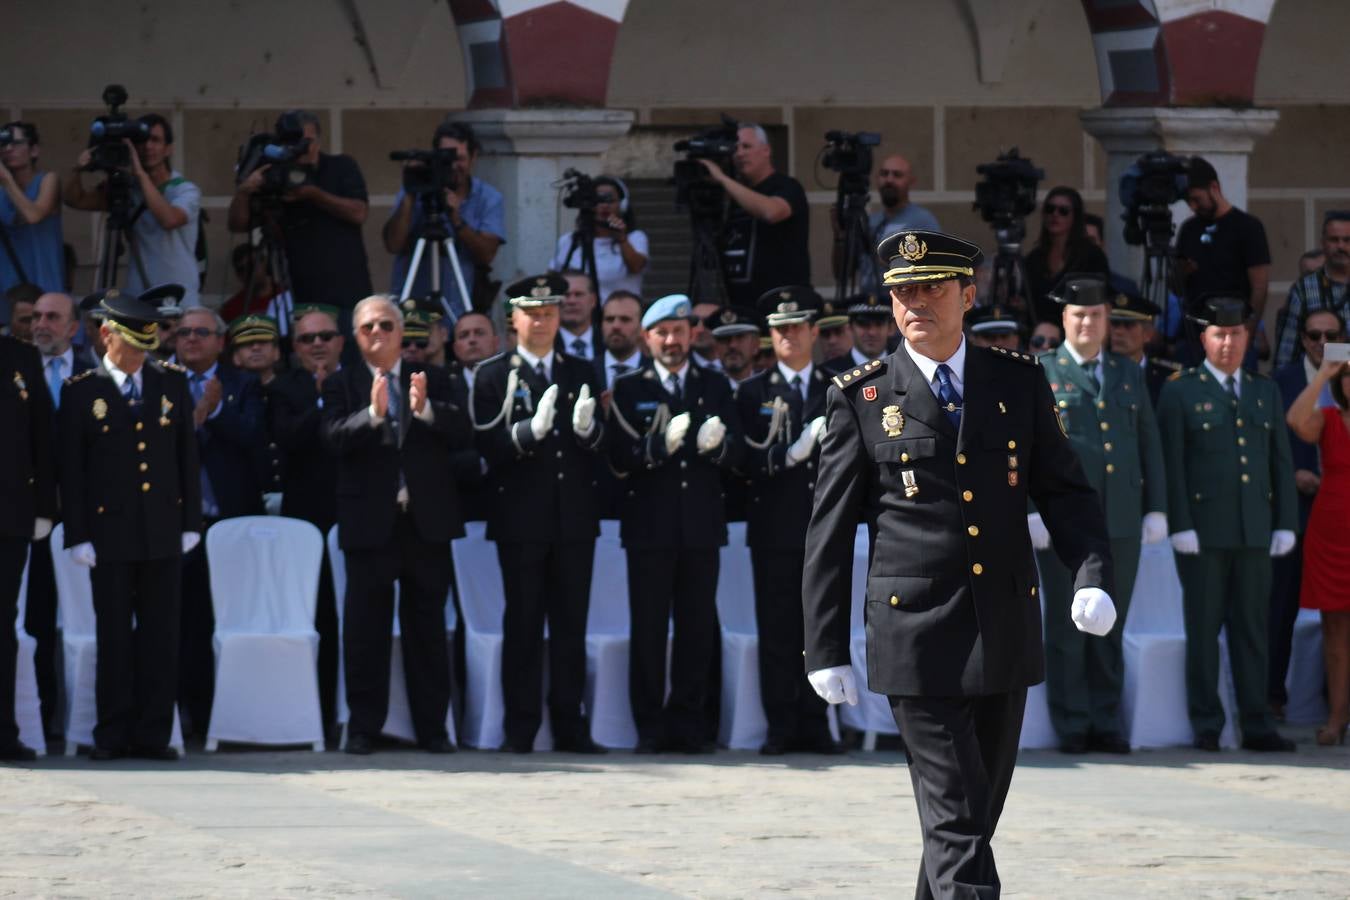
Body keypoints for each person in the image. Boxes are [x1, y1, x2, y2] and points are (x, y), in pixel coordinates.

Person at [803, 230, 1115, 898]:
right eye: (903, 292)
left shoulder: (1018, 382)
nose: (916, 302)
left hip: (1002, 624)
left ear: (967, 295)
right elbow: (827, 534)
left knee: (970, 818)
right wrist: (823, 647)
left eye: (932, 288)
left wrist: (1089, 572)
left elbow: (1066, 492)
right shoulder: (861, 397)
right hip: (914, 634)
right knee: (957, 822)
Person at [321, 295, 472, 755]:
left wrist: (424, 410)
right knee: (366, 629)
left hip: (424, 523)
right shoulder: (342, 382)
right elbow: (330, 439)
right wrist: (373, 415)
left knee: (427, 628)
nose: (378, 334)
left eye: (386, 325)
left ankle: (433, 729)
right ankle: (364, 727)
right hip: (370, 523)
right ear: (355, 336)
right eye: (368, 327)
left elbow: (464, 431)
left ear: (402, 333)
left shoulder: (436, 378)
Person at [61, 289, 202, 760]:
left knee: (162, 636)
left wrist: (189, 520)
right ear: (107, 336)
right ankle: (113, 733)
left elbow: (186, 456)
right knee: (115, 636)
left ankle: (154, 734)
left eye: (148, 345)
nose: (142, 355)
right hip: (111, 533)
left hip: (162, 529)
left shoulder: (172, 384)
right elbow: (73, 472)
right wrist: (78, 533)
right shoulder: (83, 390)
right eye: (133, 345)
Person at [470, 274, 607, 754]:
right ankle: (520, 728)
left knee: (571, 627)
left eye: (550, 313)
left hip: (573, 518)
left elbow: (597, 445)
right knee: (524, 625)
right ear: (514, 319)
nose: (543, 321)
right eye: (533, 313)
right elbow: (488, 445)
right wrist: (530, 431)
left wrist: (588, 430)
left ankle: (570, 726)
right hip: (521, 520)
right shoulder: (492, 374)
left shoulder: (582, 369)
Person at [1031, 276, 1167, 754]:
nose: (1088, 323)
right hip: (1064, 521)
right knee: (1069, 628)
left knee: (1112, 623)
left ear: (1108, 321)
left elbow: (1149, 442)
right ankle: (1072, 724)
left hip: (1122, 519)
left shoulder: (1128, 372)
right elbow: (1028, 450)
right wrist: (1032, 512)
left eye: (1096, 316)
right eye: (1078, 315)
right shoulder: (1043, 371)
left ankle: (1106, 721)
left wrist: (1157, 509)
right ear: (1064, 320)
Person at [1156, 298, 1297, 752]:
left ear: (1247, 339)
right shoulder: (1181, 390)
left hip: (1254, 529)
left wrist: (1285, 521)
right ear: (1204, 340)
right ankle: (1207, 724)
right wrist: (1180, 522)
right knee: (1203, 630)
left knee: (1253, 629)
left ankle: (1256, 723)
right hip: (1203, 531)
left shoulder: (1264, 390)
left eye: (1237, 334)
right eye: (1220, 334)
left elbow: (1280, 461)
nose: (1229, 343)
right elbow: (1171, 464)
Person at [607, 294, 741, 752]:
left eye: (678, 331)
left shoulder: (715, 385)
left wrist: (717, 447)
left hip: (701, 527)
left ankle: (689, 723)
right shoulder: (630, 387)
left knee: (696, 628)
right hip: (649, 528)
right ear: (647, 338)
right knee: (647, 630)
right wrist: (655, 448)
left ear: (692, 335)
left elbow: (736, 454)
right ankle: (648, 725)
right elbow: (618, 457)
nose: (671, 340)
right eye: (662, 332)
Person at [734, 285, 840, 755]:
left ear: (814, 332)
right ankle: (780, 724)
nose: (789, 336)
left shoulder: (836, 387)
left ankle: (816, 724)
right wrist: (787, 454)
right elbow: (741, 461)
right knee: (777, 630)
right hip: (775, 527)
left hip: (825, 528)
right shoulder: (753, 391)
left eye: (797, 327)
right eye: (780, 330)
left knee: (821, 630)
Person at [173, 306, 266, 737]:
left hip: (228, 524)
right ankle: (183, 713)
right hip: (176, 526)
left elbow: (253, 439)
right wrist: (196, 416)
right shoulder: (160, 381)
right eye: (184, 332)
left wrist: (215, 410)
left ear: (219, 341)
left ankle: (221, 715)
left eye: (201, 332)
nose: (191, 339)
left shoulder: (243, 383)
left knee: (221, 622)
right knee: (179, 623)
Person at [266, 304, 343, 739]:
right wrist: (322, 399)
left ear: (341, 341)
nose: (317, 345)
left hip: (350, 514)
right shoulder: (285, 387)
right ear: (294, 348)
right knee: (309, 618)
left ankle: (341, 715)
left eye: (325, 336)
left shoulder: (358, 380)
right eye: (307, 339)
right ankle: (305, 713)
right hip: (305, 522)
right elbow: (288, 439)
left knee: (346, 619)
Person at [228, 111, 372, 328]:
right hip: (304, 296)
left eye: (307, 141)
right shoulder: (276, 176)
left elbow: (359, 212)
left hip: (348, 292)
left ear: (318, 141)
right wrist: (244, 191)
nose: (302, 148)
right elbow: (238, 225)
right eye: (295, 142)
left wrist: (314, 194)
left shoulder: (340, 166)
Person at [1268, 308, 1342, 719]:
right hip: (1296, 501)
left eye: (1331, 334)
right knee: (1282, 600)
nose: (1321, 341)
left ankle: (1339, 704)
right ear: (1303, 339)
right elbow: (1278, 436)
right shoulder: (1283, 380)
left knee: (1341, 611)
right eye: (1314, 334)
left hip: (1339, 503)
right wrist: (1291, 474)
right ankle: (1272, 694)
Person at [26, 291, 91, 742]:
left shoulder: (94, 370)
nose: (41, 324)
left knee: (88, 620)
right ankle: (42, 719)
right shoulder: (16, 369)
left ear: (74, 327)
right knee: (36, 619)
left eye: (52, 317)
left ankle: (85, 722)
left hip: (85, 516)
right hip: (32, 516)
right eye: (35, 317)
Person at [63, 114, 202, 307]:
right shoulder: (128, 187)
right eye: (141, 141)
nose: (147, 147)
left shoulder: (185, 189)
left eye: (155, 140)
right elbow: (75, 200)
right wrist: (78, 169)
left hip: (180, 296)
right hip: (140, 295)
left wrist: (139, 173)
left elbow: (169, 220)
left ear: (168, 149)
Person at [1285, 356, 1350, 745]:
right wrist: (1325, 373)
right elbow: (1295, 418)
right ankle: (1337, 717)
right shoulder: (1326, 417)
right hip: (1330, 533)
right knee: (1335, 630)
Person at [0, 327, 56, 760]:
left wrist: (43, 507)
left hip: (9, 515)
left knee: (3, 625)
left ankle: (2, 731)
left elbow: (43, 435)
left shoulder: (21, 357)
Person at [384, 120, 504, 320]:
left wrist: (456, 220)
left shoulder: (488, 198)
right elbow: (393, 244)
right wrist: (410, 193)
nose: (453, 166)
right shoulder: (415, 194)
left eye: (459, 159)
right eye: (445, 158)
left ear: (473, 158)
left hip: (461, 309)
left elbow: (487, 254)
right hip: (415, 313)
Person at [699, 124, 810, 306]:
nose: (740, 154)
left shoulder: (787, 186)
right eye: (735, 149)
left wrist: (722, 178)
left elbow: (771, 212)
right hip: (741, 306)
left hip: (783, 304)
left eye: (746, 147)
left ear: (766, 150)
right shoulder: (734, 197)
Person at [1175, 157, 1271, 360]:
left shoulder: (1248, 227)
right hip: (1196, 335)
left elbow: (1260, 286)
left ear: (1214, 187)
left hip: (1235, 331)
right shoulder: (1189, 229)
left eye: (1197, 199)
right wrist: (1181, 272)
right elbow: (1175, 286)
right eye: (1188, 202)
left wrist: (1248, 333)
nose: (1193, 207)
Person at [835, 153, 940, 300]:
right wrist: (841, 235)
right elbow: (843, 271)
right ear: (877, 179)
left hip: (904, 302)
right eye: (884, 174)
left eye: (897, 175)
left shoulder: (923, 220)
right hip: (868, 302)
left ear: (911, 181)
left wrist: (883, 255)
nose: (889, 180)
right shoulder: (871, 220)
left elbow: (931, 270)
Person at [550, 175, 648, 301]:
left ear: (622, 205)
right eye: (598, 200)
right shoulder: (569, 241)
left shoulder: (635, 238)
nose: (604, 205)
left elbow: (636, 267)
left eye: (610, 200)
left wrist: (622, 239)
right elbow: (552, 278)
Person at [1272, 211, 1350, 368]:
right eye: (1334, 240)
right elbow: (1286, 354)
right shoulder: (1304, 289)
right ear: (1323, 243)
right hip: (1315, 383)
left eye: (1347, 240)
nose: (1341, 246)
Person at [1023, 187, 1109, 325]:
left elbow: (1102, 301)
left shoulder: (1091, 255)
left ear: (1075, 217)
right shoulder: (1034, 259)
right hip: (1040, 337)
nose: (1055, 215)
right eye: (1050, 209)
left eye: (1063, 211)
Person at [0, 121, 64, 295]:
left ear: (34, 150)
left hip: (43, 280)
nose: (8, 148)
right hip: (8, 286)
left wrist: (6, 181)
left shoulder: (48, 180)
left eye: (17, 143)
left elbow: (34, 215)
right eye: (4, 143)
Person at [1107, 291, 1177, 406]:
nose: (1119, 331)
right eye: (1115, 324)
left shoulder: (1168, 381)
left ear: (1147, 334)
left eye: (1128, 326)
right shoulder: (1096, 371)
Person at [218, 243, 293, 325]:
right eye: (241, 269)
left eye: (251, 265)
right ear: (237, 275)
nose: (248, 272)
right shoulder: (230, 309)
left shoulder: (287, 298)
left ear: (264, 263)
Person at [596, 290, 644, 393]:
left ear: (641, 327)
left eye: (625, 319)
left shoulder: (656, 373)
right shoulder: (585, 371)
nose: (616, 326)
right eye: (609, 319)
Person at [709, 306, 761, 389]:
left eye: (740, 337)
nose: (732, 345)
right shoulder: (704, 390)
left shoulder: (770, 390)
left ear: (756, 344)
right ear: (715, 347)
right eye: (724, 339)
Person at [555, 271, 599, 360]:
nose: (572, 301)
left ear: (593, 300)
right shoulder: (544, 345)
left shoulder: (609, 342)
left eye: (578, 294)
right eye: (566, 295)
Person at [228, 314, 281, 387]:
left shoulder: (295, 391)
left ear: (276, 352)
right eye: (247, 343)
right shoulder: (222, 393)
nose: (256, 347)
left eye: (263, 341)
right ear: (235, 356)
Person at [451, 311, 498, 388]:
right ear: (455, 348)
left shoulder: (512, 382)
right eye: (464, 335)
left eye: (480, 333)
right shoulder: (442, 391)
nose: (472, 340)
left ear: (496, 342)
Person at [689, 301, 723, 370]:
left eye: (708, 322)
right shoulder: (679, 368)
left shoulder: (741, 364)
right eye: (694, 322)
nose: (699, 330)